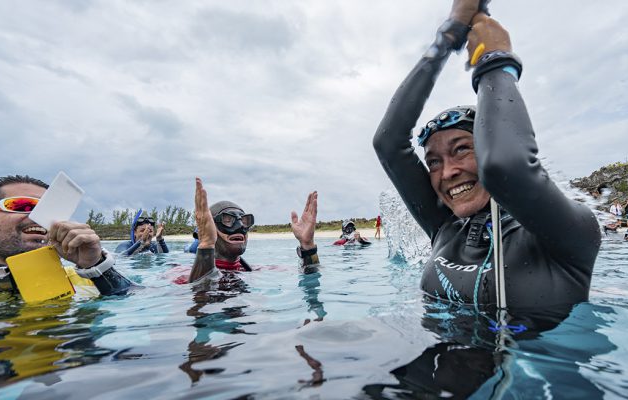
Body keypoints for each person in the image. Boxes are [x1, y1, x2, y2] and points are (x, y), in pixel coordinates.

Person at [372, 2, 600, 314]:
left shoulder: (565, 234)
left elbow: (505, 166)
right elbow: (388, 142)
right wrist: (447, 37)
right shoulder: (443, 227)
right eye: (434, 161)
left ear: (489, 143)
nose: (447, 172)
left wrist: (495, 61)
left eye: (461, 149)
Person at [0, 175, 133, 297]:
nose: (38, 216)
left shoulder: (83, 278)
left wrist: (97, 266)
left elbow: (132, 304)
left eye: (47, 208)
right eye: (23, 205)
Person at [178, 178, 320, 284]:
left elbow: (310, 278)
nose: (239, 226)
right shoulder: (182, 275)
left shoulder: (258, 271)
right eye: (228, 220)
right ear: (208, 227)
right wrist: (207, 244)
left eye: (245, 221)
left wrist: (308, 247)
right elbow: (198, 303)